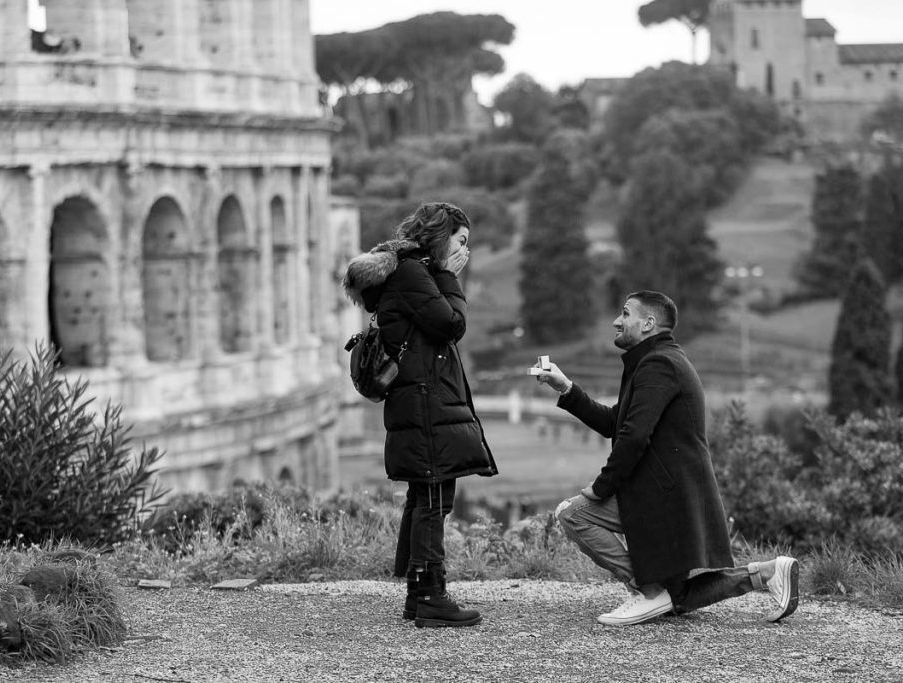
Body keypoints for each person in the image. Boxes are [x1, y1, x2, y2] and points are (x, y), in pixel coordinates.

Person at [533, 290, 799, 626]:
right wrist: (566, 388)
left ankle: (648, 590)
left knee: (574, 514)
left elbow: (633, 437)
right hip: (674, 493)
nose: (617, 320)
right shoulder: (655, 359)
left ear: (648, 323)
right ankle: (769, 573)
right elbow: (615, 423)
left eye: (625, 313)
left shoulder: (658, 364)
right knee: (679, 597)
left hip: (664, 497)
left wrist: (601, 489)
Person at [342, 201, 497, 628]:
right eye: (460, 242)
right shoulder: (414, 272)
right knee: (431, 496)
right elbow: (450, 324)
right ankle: (431, 595)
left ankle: (418, 594)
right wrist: (449, 275)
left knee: (430, 495)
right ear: (440, 236)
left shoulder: (411, 271)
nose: (464, 252)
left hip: (423, 399)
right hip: (424, 400)